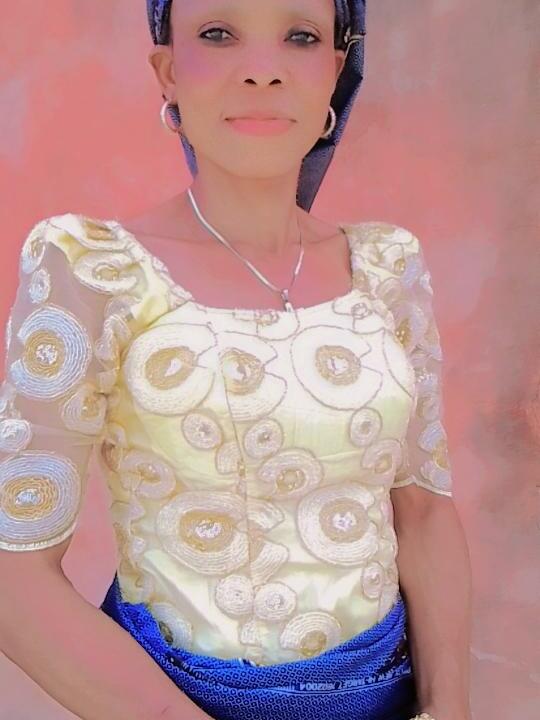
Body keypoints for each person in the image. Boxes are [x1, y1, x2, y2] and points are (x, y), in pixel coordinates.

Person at [0, 1, 473, 720]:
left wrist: (450, 708)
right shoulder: (93, 269)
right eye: (218, 34)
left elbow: (425, 512)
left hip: (389, 697)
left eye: (300, 36)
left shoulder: (386, 267)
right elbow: (14, 571)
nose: (262, 71)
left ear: (334, 73)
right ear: (167, 73)